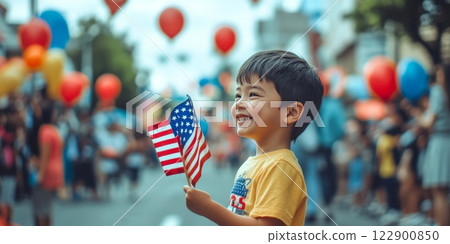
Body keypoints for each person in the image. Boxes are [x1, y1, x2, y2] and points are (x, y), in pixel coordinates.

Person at [183, 50, 324, 226]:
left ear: (290, 112)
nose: (239, 103)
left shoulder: (281, 167)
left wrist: (211, 209)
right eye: (238, 95)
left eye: (253, 95)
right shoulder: (255, 162)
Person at [414, 64, 450, 226]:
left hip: (439, 142)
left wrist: (416, 114)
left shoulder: (438, 92)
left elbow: (429, 122)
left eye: (440, 74)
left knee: (439, 192)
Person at [31, 100, 64, 226]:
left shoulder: (44, 131)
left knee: (41, 208)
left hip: (47, 172)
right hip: (56, 170)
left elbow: (45, 156)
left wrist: (40, 175)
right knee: (47, 207)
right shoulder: (54, 130)